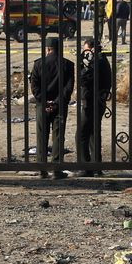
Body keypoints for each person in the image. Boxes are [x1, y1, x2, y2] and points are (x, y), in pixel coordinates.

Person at [29, 35, 74, 179]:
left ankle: (41, 168)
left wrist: (44, 101)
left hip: (42, 106)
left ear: (48, 49)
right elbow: (68, 88)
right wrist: (56, 102)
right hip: (59, 106)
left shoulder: (38, 64)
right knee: (58, 136)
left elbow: (34, 86)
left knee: (42, 136)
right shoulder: (68, 65)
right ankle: (56, 169)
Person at [75, 37, 113, 177]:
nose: (84, 53)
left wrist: (84, 66)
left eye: (85, 50)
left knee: (82, 134)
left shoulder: (96, 62)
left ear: (91, 49)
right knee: (93, 133)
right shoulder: (102, 60)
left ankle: (85, 167)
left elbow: (84, 80)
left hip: (91, 102)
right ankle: (96, 165)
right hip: (98, 101)